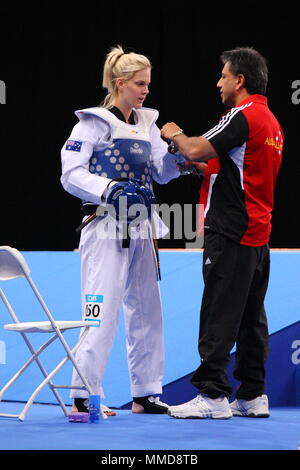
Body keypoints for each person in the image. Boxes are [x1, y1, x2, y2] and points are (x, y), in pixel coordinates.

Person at [161, 47, 283, 419]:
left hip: (230, 231)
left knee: (218, 312)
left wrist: (174, 132)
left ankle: (213, 395)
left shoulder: (242, 114)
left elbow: (197, 146)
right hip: (258, 234)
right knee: (250, 317)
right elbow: (235, 169)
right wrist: (198, 168)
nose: (218, 83)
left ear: (239, 80)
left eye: (223, 76)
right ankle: (251, 395)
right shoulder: (272, 122)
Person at [60, 45, 182, 417]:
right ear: (119, 83)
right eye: (139, 84)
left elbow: (161, 171)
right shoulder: (91, 123)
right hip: (104, 225)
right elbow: (70, 174)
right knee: (101, 308)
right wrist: (108, 188)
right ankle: (84, 392)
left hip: (143, 226)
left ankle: (145, 393)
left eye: (148, 83)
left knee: (147, 309)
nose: (145, 90)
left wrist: (181, 158)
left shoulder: (148, 123)